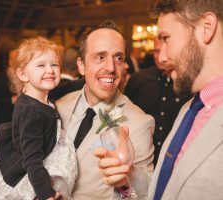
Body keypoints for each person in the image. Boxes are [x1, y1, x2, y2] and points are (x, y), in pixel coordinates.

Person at [56, 20, 155, 199]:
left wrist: (129, 178)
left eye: (118, 58)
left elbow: (148, 192)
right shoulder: (60, 106)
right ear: (81, 65)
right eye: (100, 57)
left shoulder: (139, 121)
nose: (111, 68)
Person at [0, 37, 77, 200]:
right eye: (41, 65)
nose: (50, 70)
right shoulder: (32, 110)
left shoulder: (38, 99)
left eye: (54, 64)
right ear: (23, 74)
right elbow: (31, 158)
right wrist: (46, 194)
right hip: (33, 177)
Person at [148, 0, 223, 199]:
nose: (161, 58)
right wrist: (126, 181)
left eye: (166, 38)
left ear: (206, 27)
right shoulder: (189, 109)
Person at [125, 38, 191, 166]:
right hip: (140, 157)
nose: (160, 56)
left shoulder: (187, 82)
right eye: (156, 51)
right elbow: (126, 115)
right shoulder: (138, 80)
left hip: (176, 160)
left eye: (165, 50)